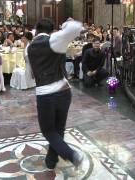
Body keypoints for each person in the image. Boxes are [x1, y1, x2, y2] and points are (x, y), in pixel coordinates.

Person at [27, 18, 84, 170]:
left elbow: (31, 74)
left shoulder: (30, 47)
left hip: (45, 94)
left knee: (48, 131)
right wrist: (65, 24)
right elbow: (76, 26)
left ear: (36, 30)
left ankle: (72, 155)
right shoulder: (55, 40)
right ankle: (51, 161)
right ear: (51, 30)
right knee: (58, 130)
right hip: (64, 91)